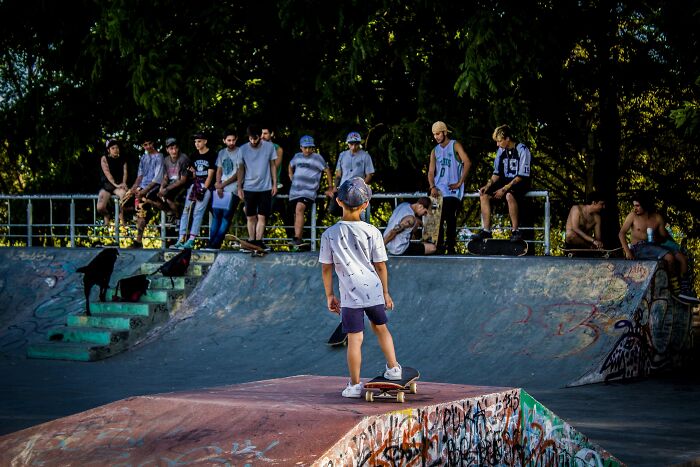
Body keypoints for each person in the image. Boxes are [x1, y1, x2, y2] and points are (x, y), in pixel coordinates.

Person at [319, 177, 402, 398]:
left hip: (350, 295)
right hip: (373, 289)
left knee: (355, 340)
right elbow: (380, 265)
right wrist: (385, 292)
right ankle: (394, 368)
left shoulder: (329, 235)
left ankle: (355, 385)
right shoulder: (372, 231)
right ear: (365, 204)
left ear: (338, 201)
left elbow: (326, 268)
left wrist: (330, 295)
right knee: (381, 328)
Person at [618, 192, 697, 302]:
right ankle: (675, 290)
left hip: (655, 246)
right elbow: (621, 233)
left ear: (645, 205)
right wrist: (627, 251)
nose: (635, 208)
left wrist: (660, 239)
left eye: (637, 206)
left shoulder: (657, 217)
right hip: (639, 247)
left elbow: (663, 237)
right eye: (634, 205)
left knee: (682, 258)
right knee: (669, 257)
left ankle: (685, 289)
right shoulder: (632, 216)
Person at [473, 124, 532, 242]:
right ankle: (486, 231)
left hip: (519, 181)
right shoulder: (501, 150)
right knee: (484, 194)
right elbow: (496, 173)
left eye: (499, 141)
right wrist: (488, 185)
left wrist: (504, 189)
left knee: (509, 195)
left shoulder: (522, 149)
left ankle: (515, 231)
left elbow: (521, 176)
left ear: (507, 139)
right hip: (505, 181)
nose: (497, 144)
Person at [427, 121, 472, 254]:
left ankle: (450, 247)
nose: (436, 137)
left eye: (438, 134)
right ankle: (438, 247)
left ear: (445, 132)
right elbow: (431, 172)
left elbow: (467, 162)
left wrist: (459, 182)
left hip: (452, 190)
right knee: (435, 217)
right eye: (434, 134)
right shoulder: (435, 151)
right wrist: (432, 186)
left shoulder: (455, 145)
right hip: (438, 189)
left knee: (448, 214)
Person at [288, 135, 334, 248]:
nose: (308, 150)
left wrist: (330, 186)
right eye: (305, 148)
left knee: (299, 208)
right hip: (295, 190)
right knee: (296, 213)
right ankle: (298, 238)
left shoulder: (317, 158)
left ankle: (297, 238)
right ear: (301, 147)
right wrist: (291, 175)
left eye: (310, 148)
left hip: (308, 190)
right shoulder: (297, 156)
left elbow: (327, 170)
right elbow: (290, 165)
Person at [237, 124, 278, 250]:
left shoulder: (269, 147)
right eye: (250, 139)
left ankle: (259, 241)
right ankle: (251, 240)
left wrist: (274, 184)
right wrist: (239, 187)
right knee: (250, 216)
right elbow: (240, 169)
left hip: (265, 187)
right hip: (249, 187)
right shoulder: (243, 149)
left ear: (260, 136)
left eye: (255, 138)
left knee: (262, 216)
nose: (253, 141)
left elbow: (272, 165)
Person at [173, 132, 216, 249]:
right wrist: (192, 172)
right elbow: (193, 173)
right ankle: (181, 238)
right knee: (186, 210)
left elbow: (210, 175)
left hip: (205, 186)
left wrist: (204, 189)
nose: (197, 144)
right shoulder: (194, 155)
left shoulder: (212, 155)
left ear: (205, 141)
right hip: (194, 185)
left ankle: (191, 239)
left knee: (198, 212)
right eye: (195, 141)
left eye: (199, 141)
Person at [207, 130, 241, 250]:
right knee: (216, 216)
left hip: (233, 189)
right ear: (224, 141)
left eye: (233, 140)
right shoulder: (221, 152)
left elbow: (238, 173)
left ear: (236, 139)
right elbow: (219, 170)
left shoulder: (240, 152)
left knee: (226, 217)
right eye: (229, 140)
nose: (231, 142)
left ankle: (216, 243)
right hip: (221, 189)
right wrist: (218, 184)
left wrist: (222, 185)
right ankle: (211, 243)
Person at [127, 137, 164, 248]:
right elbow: (140, 175)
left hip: (154, 187)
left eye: (149, 143)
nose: (148, 147)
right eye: (145, 145)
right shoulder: (143, 157)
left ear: (153, 143)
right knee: (129, 207)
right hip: (142, 188)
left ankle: (139, 239)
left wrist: (144, 191)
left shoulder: (159, 157)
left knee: (143, 208)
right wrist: (133, 188)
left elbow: (157, 179)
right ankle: (138, 240)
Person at [329, 131, 375, 217]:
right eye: (351, 144)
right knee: (343, 215)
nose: (353, 146)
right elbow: (338, 174)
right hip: (343, 190)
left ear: (359, 143)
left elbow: (369, 175)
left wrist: (360, 186)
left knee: (359, 216)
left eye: (356, 144)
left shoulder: (365, 156)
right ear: (348, 143)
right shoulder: (342, 155)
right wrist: (335, 187)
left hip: (358, 191)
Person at [157, 137, 191, 226]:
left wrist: (166, 189)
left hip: (183, 184)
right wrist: (162, 187)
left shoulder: (183, 159)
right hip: (171, 184)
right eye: (171, 148)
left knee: (169, 197)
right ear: (167, 150)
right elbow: (165, 177)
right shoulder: (166, 160)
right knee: (156, 196)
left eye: (176, 148)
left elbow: (183, 180)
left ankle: (177, 217)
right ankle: (171, 214)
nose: (174, 151)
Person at [96, 139, 129, 225]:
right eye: (113, 148)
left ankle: (121, 218)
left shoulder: (123, 159)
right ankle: (107, 215)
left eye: (117, 148)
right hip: (107, 185)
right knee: (100, 207)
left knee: (124, 194)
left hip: (118, 185)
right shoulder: (104, 158)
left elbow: (125, 173)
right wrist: (115, 184)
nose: (115, 150)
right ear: (108, 150)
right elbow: (107, 174)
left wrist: (124, 183)